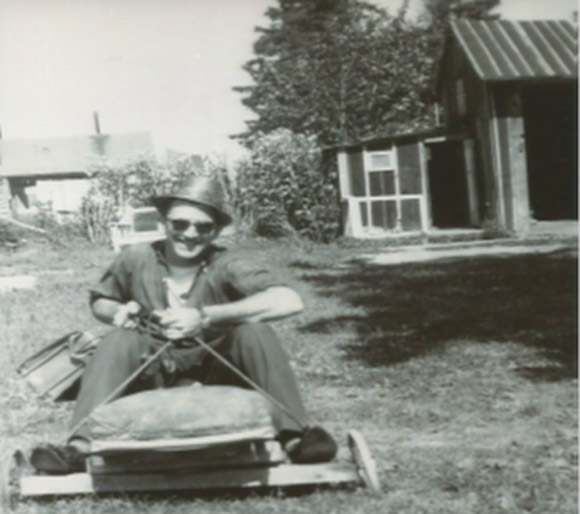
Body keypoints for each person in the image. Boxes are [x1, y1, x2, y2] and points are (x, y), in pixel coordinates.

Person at [30, 175, 337, 474]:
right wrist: (118, 311)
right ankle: (79, 447)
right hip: (150, 367)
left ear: (216, 232)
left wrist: (206, 316)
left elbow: (289, 300)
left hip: (218, 367)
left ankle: (295, 437)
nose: (190, 234)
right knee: (117, 340)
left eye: (203, 226)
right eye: (180, 224)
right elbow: (101, 301)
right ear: (163, 223)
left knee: (254, 331)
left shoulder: (227, 263)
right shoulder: (135, 257)